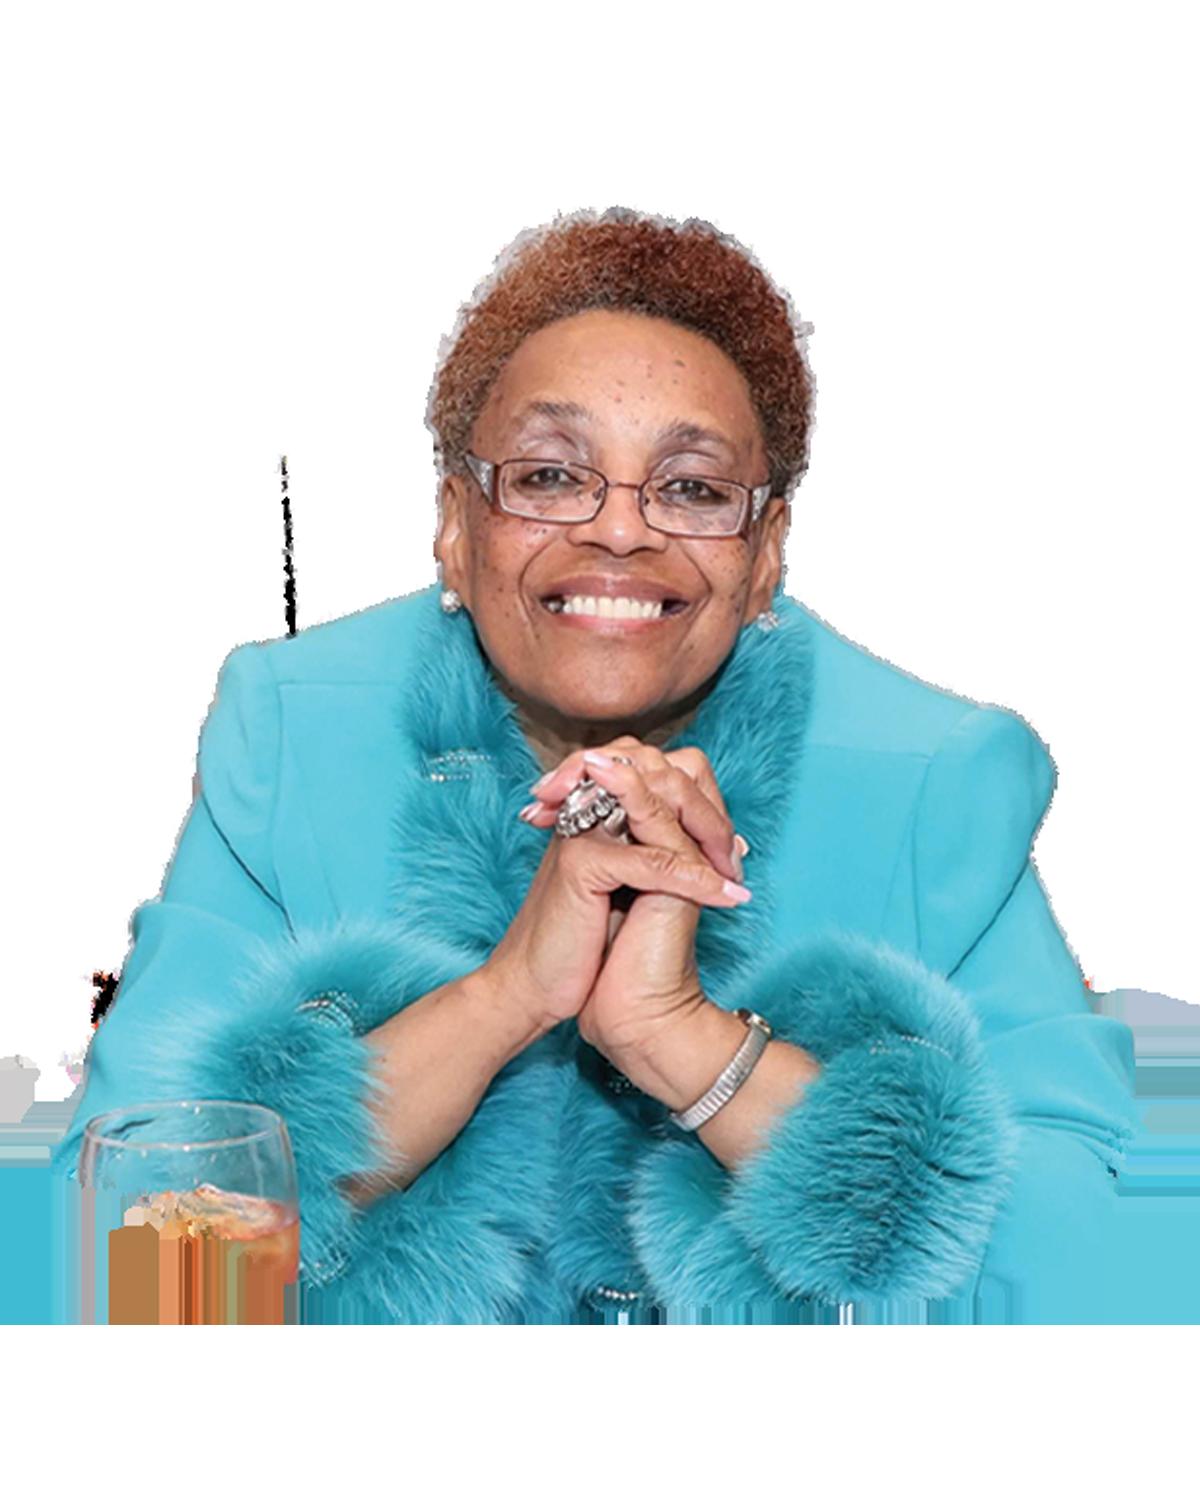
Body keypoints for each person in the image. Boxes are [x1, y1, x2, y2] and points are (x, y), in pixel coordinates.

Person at [52, 207, 1142, 1324]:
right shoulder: (292, 735)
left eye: (693, 488)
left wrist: (681, 1040)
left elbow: (1066, 1253)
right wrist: (503, 999)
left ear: (766, 553)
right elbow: (134, 1230)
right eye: (549, 475)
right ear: (454, 526)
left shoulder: (932, 781)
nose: (620, 532)